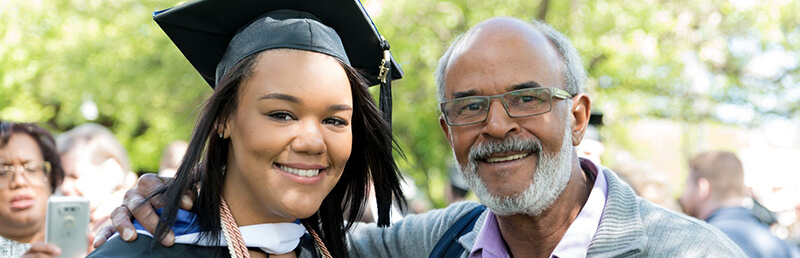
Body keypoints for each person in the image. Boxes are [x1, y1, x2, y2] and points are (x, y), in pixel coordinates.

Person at [98, 17, 746, 257]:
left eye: (526, 98)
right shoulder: (443, 242)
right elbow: (281, 228)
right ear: (447, 130)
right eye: (469, 107)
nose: (498, 125)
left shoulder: (686, 252)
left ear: (577, 117)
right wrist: (187, 195)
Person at [88, 0, 405, 257]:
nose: (312, 142)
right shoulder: (141, 251)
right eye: (282, 114)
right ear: (223, 118)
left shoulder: (339, 250)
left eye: (335, 120)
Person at [679, 151, 800, 257]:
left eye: (686, 185)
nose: (682, 196)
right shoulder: (784, 248)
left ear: (702, 188)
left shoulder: (695, 245)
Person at [55, 123, 138, 232]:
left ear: (113, 170)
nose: (64, 187)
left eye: (75, 176)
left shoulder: (131, 224)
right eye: (60, 177)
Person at [0, 121, 65, 257]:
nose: (19, 182)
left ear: (51, 177)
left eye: (31, 168)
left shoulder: (94, 241)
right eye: (2, 172)